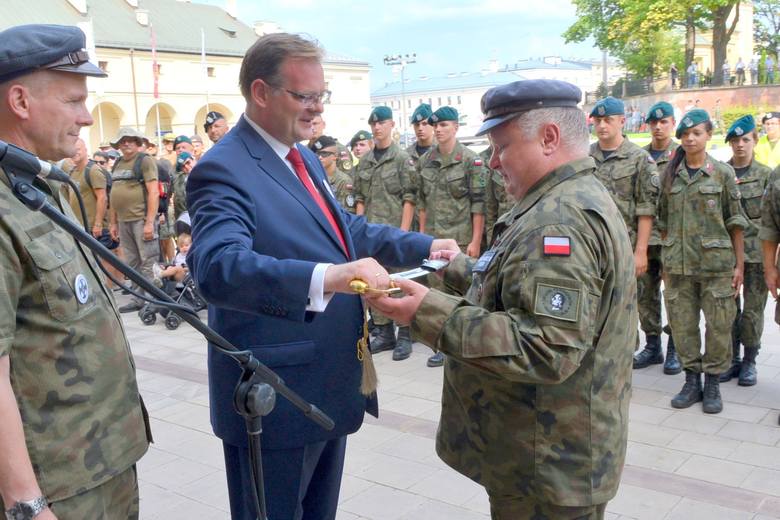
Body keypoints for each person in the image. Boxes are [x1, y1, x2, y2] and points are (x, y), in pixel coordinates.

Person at [185, 32, 456, 520]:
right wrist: (329, 277)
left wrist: (422, 245)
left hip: (324, 381)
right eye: (305, 96)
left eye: (320, 96)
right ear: (261, 93)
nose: (317, 109)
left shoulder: (301, 156)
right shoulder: (222, 169)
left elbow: (341, 229)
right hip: (275, 393)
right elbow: (217, 268)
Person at [370, 78, 635, 519]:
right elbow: (521, 287)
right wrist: (457, 266)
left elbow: (545, 348)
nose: (493, 162)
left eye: (502, 146)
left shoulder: (560, 221)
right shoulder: (559, 198)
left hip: (547, 467)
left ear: (548, 138)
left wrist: (428, 311)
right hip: (542, 456)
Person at [0, 24, 150, 520]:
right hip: (55, 485)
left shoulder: (44, 184)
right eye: (73, 101)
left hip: (103, 461)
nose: (87, 118)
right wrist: (26, 504)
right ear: (20, 100)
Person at [658, 109, 747, 414]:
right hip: (678, 267)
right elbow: (662, 221)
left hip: (717, 267)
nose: (690, 139)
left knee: (719, 326)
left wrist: (740, 266)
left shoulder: (721, 173)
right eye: (685, 134)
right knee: (682, 326)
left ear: (709, 135)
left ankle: (712, 383)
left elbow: (735, 221)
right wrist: (665, 265)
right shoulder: (669, 175)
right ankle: (691, 380)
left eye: (696, 133)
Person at [589, 96, 659, 363]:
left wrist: (641, 251)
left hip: (626, 245)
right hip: (594, 244)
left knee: (630, 303)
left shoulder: (640, 159)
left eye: (608, 120)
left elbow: (646, 209)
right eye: (598, 121)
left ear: (622, 121)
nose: (603, 126)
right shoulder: (586, 157)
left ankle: (628, 355)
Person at [417, 106, 487, 366]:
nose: (438, 129)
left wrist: (476, 241)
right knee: (435, 291)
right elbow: (422, 202)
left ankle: (460, 340)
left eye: (444, 125)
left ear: (456, 127)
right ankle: (441, 343)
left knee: (459, 291)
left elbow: (478, 204)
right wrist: (422, 237)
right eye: (436, 125)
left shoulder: (471, 160)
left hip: (460, 238)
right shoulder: (426, 161)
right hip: (434, 238)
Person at [353, 106, 418, 360]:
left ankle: (405, 334)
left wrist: (403, 234)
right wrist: (358, 230)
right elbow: (359, 197)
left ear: (392, 125)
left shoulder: (402, 159)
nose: (377, 128)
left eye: (381, 123)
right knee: (375, 283)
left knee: (399, 282)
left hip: (393, 231)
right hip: (371, 233)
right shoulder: (365, 161)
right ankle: (384, 332)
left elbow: (409, 198)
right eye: (373, 124)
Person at [721, 115, 772, 386]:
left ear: (755, 141)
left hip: (755, 256)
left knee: (752, 311)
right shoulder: (720, 172)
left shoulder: (766, 176)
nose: (740, 145)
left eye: (746, 140)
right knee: (727, 309)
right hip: (725, 254)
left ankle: (750, 360)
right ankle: (732, 359)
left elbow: (773, 220)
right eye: (735, 141)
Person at [633, 102, 681, 374]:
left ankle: (676, 345)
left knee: (673, 294)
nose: (658, 127)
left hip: (670, 236)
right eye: (654, 123)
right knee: (645, 294)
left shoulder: (682, 154)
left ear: (672, 123)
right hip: (644, 237)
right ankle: (653, 346)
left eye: (664, 122)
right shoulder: (640, 157)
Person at [108, 126, 160, 313]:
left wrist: (149, 222)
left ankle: (155, 299)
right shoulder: (118, 163)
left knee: (148, 261)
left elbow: (153, 192)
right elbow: (113, 194)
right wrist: (112, 222)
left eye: (130, 139)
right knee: (132, 262)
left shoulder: (145, 161)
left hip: (141, 219)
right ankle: (139, 299)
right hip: (123, 220)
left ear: (138, 142)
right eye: (122, 140)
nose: (126, 143)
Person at [312, 135, 355, 213]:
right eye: (317, 154)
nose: (320, 157)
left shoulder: (344, 181)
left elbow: (347, 213)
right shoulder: (314, 178)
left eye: (324, 154)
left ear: (335, 156)